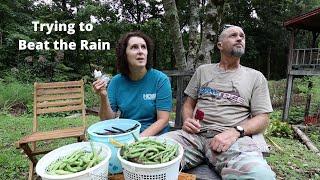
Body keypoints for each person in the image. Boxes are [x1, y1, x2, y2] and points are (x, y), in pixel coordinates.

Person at [162, 25, 276, 179]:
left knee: (261, 176)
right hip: (193, 137)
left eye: (242, 36)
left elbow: (263, 118)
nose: (239, 38)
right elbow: (189, 104)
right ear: (220, 45)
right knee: (147, 154)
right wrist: (188, 120)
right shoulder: (203, 71)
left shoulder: (255, 77)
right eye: (233, 35)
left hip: (232, 140)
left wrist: (236, 131)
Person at [93, 31, 172, 137]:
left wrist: (138, 141)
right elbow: (107, 120)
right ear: (124, 54)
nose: (140, 51)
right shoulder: (116, 82)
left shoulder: (160, 80)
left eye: (143, 47)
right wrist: (103, 96)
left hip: (155, 136)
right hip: (126, 134)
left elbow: (163, 120)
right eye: (134, 47)